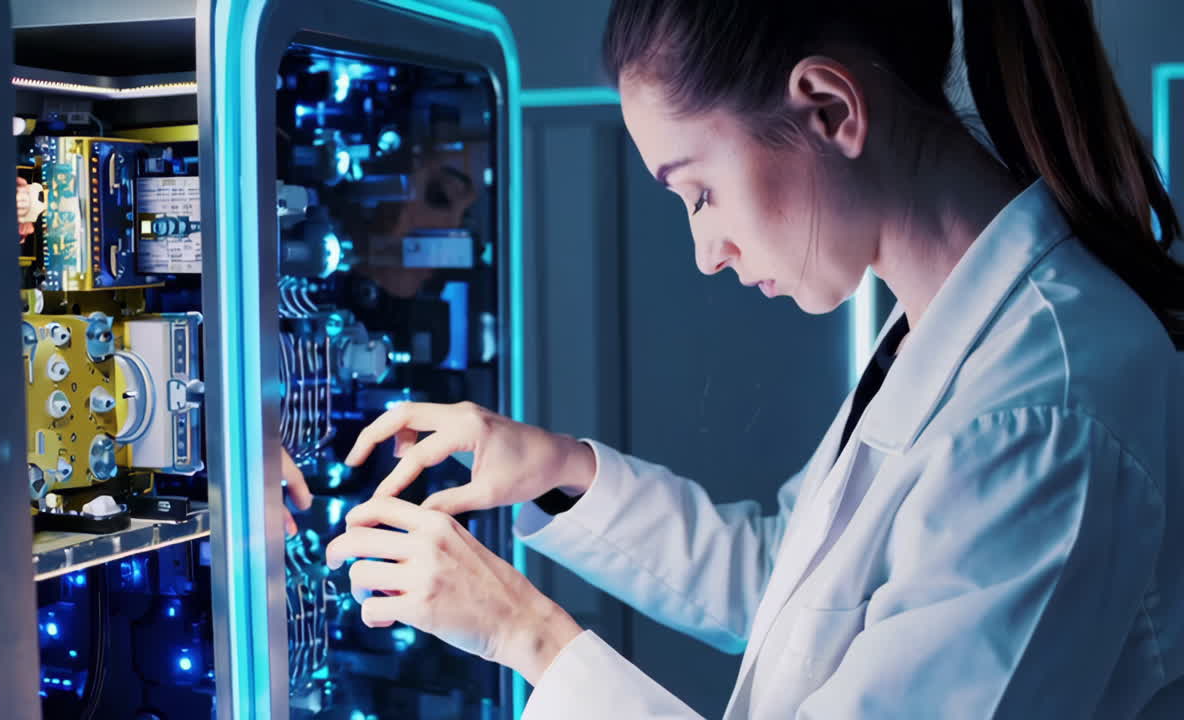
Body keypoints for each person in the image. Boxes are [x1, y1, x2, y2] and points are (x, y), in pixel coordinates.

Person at [286, 0, 1184, 716]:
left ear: (829, 109)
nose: (706, 251)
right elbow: (795, 594)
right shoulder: (947, 328)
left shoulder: (1043, 414)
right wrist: (557, 469)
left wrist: (528, 636)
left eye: (701, 191)